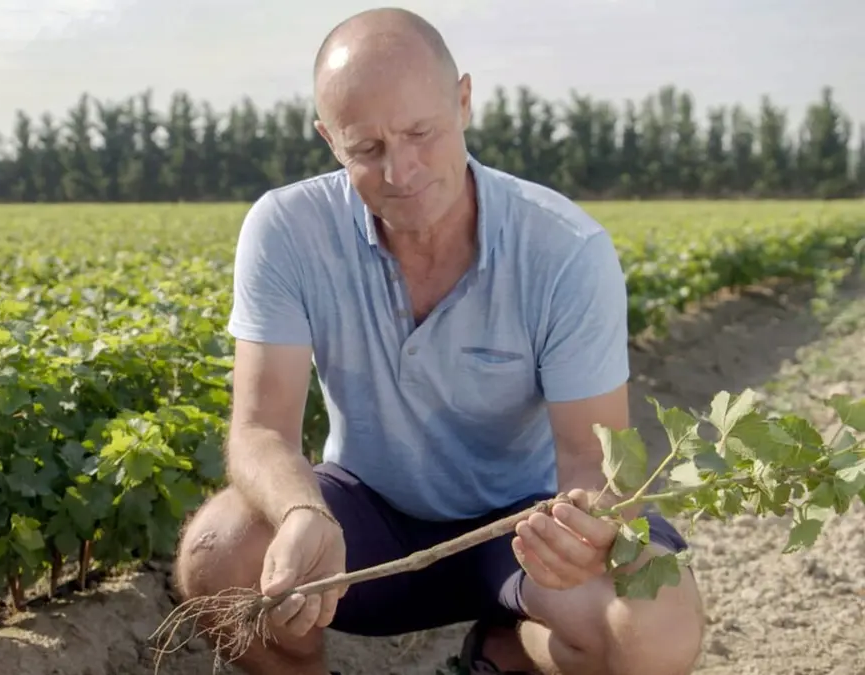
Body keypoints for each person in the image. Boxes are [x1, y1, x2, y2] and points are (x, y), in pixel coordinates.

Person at [173, 7, 704, 675]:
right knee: (216, 551)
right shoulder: (287, 229)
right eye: (367, 148)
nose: (402, 171)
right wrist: (303, 509)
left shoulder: (565, 249)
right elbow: (258, 428)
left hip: (527, 526)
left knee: (656, 628)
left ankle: (507, 650)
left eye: (421, 132)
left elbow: (590, 458)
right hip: (368, 523)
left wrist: (584, 525)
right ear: (329, 140)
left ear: (463, 100)